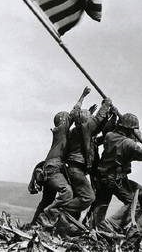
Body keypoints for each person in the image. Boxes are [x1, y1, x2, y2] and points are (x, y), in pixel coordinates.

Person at [28, 87, 91, 224]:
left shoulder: (63, 133)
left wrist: (88, 113)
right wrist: (83, 96)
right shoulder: (62, 130)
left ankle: (34, 224)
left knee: (47, 200)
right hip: (53, 168)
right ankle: (47, 215)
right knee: (67, 192)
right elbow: (74, 113)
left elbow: (78, 120)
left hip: (51, 168)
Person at [46, 96, 113, 219]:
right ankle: (57, 211)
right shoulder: (82, 129)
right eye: (90, 119)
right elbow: (97, 121)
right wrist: (106, 104)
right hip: (76, 169)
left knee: (80, 196)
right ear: (85, 121)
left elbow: (99, 129)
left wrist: (110, 116)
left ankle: (65, 220)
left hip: (75, 169)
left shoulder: (78, 132)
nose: (91, 120)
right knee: (89, 197)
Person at [93, 113, 142, 232]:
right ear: (129, 130)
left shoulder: (110, 136)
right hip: (114, 178)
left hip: (103, 176)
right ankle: (111, 225)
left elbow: (127, 154)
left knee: (103, 202)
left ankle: (95, 226)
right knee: (135, 204)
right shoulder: (129, 144)